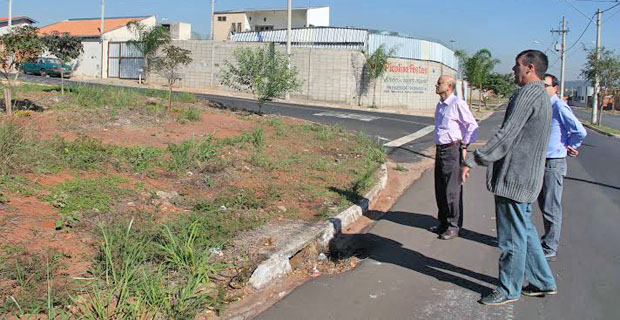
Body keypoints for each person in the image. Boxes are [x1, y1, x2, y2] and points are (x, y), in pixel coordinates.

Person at [461, 50, 557, 305]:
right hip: (525, 178)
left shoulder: (528, 94)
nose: (513, 71)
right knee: (524, 231)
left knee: (511, 239)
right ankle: (542, 281)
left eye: (517, 66)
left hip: (515, 178)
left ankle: (508, 289)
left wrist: (473, 158)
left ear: (530, 67)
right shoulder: (540, 94)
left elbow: (505, 136)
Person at [540, 73, 587, 261]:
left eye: (545, 85)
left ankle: (550, 247)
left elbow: (579, 130)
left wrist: (572, 145)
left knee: (551, 206)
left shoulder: (558, 106)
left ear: (555, 89)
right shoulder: (544, 106)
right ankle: (546, 240)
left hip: (553, 163)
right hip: (542, 161)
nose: (542, 89)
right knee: (543, 205)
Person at [430, 75, 478, 240]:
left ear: (449, 86)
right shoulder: (441, 105)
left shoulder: (457, 104)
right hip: (440, 150)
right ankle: (443, 223)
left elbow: (472, 125)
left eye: (440, 83)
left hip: (452, 150)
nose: (436, 85)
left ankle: (453, 226)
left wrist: (464, 146)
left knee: (452, 190)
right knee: (440, 188)